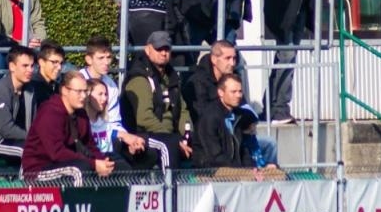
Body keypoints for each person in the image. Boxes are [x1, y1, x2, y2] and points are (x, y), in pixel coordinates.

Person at [264, 0, 338, 124]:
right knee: (286, 57)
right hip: (282, 16)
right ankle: (278, 109)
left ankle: (271, 106)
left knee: (287, 59)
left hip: (299, 14)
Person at [182, 39, 280, 167]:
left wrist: (247, 122)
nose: (232, 63)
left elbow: (244, 108)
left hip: (236, 132)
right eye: (227, 58)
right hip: (214, 139)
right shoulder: (198, 82)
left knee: (269, 144)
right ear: (214, 59)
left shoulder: (232, 79)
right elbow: (204, 117)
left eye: (234, 58)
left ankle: (265, 177)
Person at [21, 70, 116, 183]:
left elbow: (89, 144)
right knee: (80, 170)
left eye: (85, 91)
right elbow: (56, 153)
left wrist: (102, 161)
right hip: (38, 169)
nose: (83, 96)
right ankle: (84, 201)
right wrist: (93, 163)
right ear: (65, 90)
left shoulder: (81, 113)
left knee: (115, 162)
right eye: (79, 91)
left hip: (66, 163)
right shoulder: (49, 113)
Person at [120, 30, 192, 171]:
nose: (163, 53)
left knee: (199, 144)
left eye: (166, 49)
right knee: (169, 145)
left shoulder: (171, 77)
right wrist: (175, 139)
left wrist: (187, 135)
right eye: (159, 49)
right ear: (147, 50)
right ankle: (170, 189)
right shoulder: (139, 78)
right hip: (143, 134)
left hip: (170, 134)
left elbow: (182, 110)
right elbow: (144, 119)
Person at [80, 38, 145, 158]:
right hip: (84, 138)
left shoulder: (111, 85)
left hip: (106, 135)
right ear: (88, 59)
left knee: (141, 152)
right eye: (101, 58)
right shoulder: (79, 81)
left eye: (109, 57)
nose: (106, 62)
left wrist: (128, 139)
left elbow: (114, 121)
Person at [192, 73, 265, 170]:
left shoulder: (238, 115)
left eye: (240, 91)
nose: (238, 95)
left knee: (276, 174)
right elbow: (215, 156)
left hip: (235, 169)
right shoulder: (209, 117)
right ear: (220, 93)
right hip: (211, 171)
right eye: (233, 92)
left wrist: (253, 168)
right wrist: (243, 170)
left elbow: (244, 151)